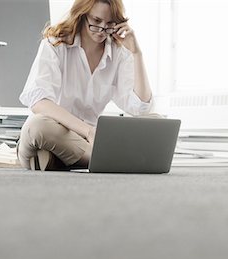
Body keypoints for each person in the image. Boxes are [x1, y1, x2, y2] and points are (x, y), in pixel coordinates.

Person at [17, 0, 153, 171]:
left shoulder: (119, 53)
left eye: (110, 24)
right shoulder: (55, 44)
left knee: (155, 121)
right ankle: (113, 158)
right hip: (56, 132)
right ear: (82, 15)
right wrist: (88, 131)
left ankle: (67, 158)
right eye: (96, 21)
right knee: (37, 126)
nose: (102, 30)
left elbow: (140, 108)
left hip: (86, 142)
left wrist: (136, 53)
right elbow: (39, 101)